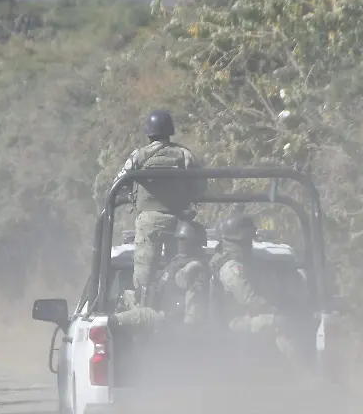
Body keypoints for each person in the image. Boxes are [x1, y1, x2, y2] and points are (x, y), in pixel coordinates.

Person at [112, 110, 206, 299]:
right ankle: (175, 303)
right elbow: (200, 186)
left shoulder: (139, 155)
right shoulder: (184, 155)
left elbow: (119, 183)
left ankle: (144, 307)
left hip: (148, 222)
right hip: (179, 221)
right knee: (178, 269)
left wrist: (132, 197)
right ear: (170, 131)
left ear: (149, 133)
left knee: (143, 280)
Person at [210, 213, 297, 361]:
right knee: (279, 322)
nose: (250, 243)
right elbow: (249, 299)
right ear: (239, 240)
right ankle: (302, 373)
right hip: (233, 321)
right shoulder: (231, 267)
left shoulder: (246, 261)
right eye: (247, 239)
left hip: (245, 316)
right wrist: (274, 309)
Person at [150, 219, 209, 326]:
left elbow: (184, 283)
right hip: (163, 315)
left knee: (130, 317)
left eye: (184, 240)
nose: (180, 244)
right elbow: (161, 285)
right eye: (179, 240)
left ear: (195, 242)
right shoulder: (174, 263)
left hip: (173, 321)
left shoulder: (195, 267)